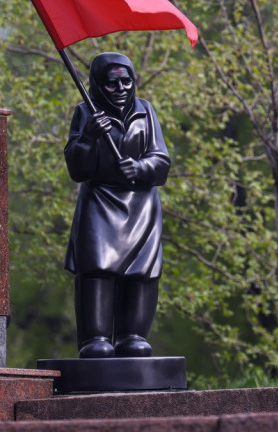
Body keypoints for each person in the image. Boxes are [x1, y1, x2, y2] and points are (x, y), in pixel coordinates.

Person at [64, 52, 170, 358]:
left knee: (142, 271)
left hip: (140, 207)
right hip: (100, 202)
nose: (121, 88)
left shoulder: (146, 111)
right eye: (112, 83)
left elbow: (161, 160)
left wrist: (139, 168)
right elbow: (76, 169)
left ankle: (132, 333)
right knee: (97, 267)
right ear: (97, 84)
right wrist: (87, 138)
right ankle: (94, 336)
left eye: (127, 81)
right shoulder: (86, 112)